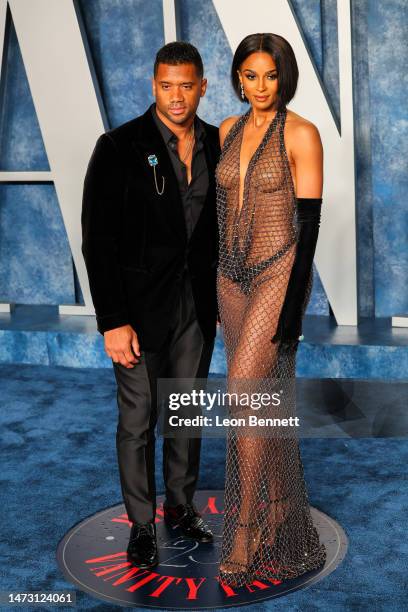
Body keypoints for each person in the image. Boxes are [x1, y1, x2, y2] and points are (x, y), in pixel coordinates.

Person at [81, 42, 220, 570]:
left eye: (186, 85)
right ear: (153, 84)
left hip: (196, 307)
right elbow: (99, 241)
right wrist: (112, 321)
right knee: (138, 418)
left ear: (202, 86)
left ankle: (180, 508)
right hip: (137, 312)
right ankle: (142, 523)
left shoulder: (216, 143)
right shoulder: (118, 146)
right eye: (167, 85)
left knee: (185, 413)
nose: (177, 96)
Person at [216, 33, 327, 585]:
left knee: (242, 394)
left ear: (285, 77)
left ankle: (245, 526)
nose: (260, 86)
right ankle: (282, 509)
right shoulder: (226, 131)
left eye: (271, 76)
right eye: (250, 75)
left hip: (278, 272)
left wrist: (292, 311)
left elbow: (309, 229)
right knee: (262, 399)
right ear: (239, 77)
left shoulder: (302, 133)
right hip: (229, 277)